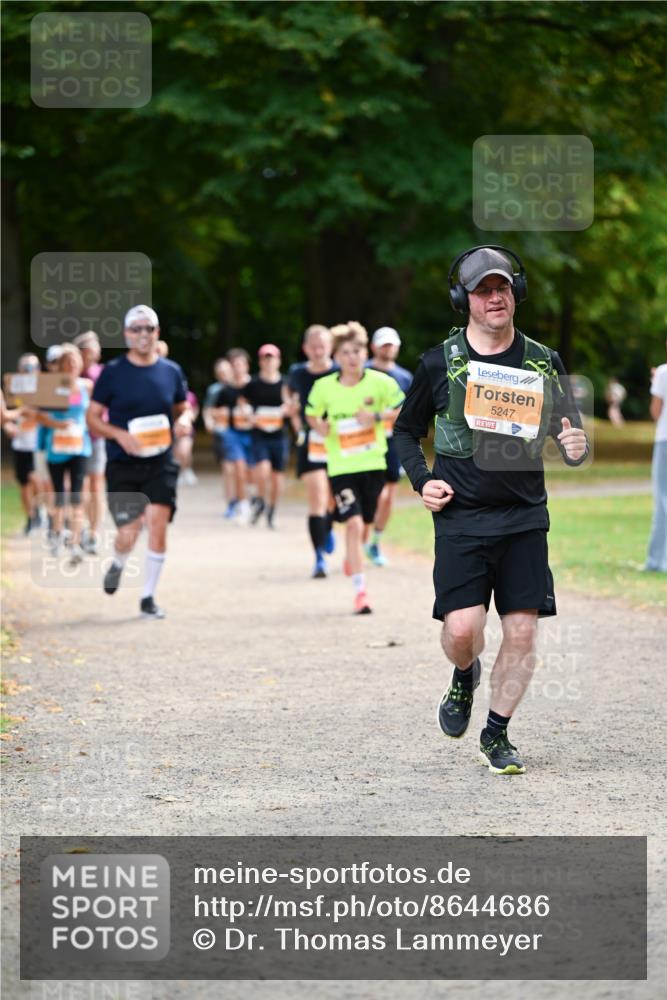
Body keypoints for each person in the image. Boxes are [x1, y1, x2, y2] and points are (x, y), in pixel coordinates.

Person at [394, 246, 588, 775]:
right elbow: (405, 432)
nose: (495, 297)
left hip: (524, 516)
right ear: (465, 300)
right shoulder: (440, 362)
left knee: (522, 630)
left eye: (502, 287)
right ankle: (464, 674)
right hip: (461, 517)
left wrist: (576, 446)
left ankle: (497, 733)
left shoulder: (543, 361)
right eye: (482, 290)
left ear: (516, 293)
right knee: (462, 632)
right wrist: (423, 480)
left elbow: (568, 430)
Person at [86, 305, 193, 619]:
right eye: (137, 329)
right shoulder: (113, 373)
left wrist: (185, 420)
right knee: (129, 532)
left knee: (158, 524)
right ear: (126, 334)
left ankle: (148, 597)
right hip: (123, 462)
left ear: (157, 333)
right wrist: (119, 435)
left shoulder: (171, 371)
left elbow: (182, 408)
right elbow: (92, 418)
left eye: (149, 328)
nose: (143, 334)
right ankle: (119, 562)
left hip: (161, 460)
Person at [306, 322, 405, 614]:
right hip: (341, 467)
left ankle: (354, 557)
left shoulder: (381, 383)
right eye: (346, 352)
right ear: (337, 356)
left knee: (364, 524)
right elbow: (311, 414)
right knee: (352, 523)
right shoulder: (323, 387)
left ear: (365, 352)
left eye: (357, 351)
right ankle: (360, 593)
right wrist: (320, 426)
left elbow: (403, 409)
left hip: (373, 463)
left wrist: (375, 417)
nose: (352, 357)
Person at [27, 344, 93, 563]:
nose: (72, 366)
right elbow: (37, 415)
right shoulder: (52, 387)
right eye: (68, 362)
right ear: (62, 365)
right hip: (56, 448)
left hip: (79, 447)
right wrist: (57, 424)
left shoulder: (87, 387)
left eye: (75, 362)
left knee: (76, 495)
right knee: (58, 495)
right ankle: (56, 534)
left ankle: (74, 543)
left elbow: (94, 413)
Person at [287, 325, 338, 577]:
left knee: (333, 500)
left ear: (330, 347)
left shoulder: (341, 372)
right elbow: (290, 401)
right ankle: (319, 557)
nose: (318, 351)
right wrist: (297, 424)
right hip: (311, 442)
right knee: (317, 498)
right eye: (314, 346)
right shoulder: (297, 373)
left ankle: (327, 529)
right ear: (306, 348)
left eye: (323, 346)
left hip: (341, 442)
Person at [365, 327, 413, 566]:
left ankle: (375, 541)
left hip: (393, 441)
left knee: (389, 493)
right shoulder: (361, 371)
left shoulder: (405, 377)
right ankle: (360, 537)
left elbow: (408, 412)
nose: (388, 348)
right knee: (371, 492)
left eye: (391, 344)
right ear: (373, 347)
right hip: (364, 441)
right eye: (383, 344)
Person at [244, 344, 294, 528]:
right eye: (265, 358)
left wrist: (286, 410)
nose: (268, 361)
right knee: (262, 470)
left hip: (279, 435)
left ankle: (271, 509)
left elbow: (292, 404)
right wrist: (250, 415)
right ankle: (260, 498)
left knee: (277, 476)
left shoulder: (285, 383)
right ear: (260, 361)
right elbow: (243, 402)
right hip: (260, 434)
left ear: (278, 361)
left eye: (271, 358)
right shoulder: (254, 383)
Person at [213, 348, 256, 525]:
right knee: (238, 467)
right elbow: (214, 410)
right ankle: (243, 505)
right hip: (233, 434)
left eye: (240, 364)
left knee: (251, 473)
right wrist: (221, 414)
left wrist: (251, 413)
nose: (237, 368)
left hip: (253, 433)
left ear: (246, 366)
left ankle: (252, 498)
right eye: (234, 365)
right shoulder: (226, 390)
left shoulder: (255, 386)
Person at [3, 353, 43, 534]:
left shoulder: (46, 389)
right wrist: (9, 427)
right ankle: (31, 518)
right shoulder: (13, 389)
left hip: (41, 443)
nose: (29, 371)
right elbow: (5, 415)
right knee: (24, 482)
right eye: (25, 367)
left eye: (32, 367)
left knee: (37, 479)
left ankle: (42, 511)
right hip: (21, 443)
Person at [73, 331, 105, 553]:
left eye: (95, 349)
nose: (93, 354)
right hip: (75, 436)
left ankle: (94, 533)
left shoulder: (102, 374)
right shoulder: (70, 374)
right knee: (80, 486)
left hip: (96, 436)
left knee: (96, 485)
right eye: (89, 349)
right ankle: (80, 528)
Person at [155, 339, 199, 484]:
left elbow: (189, 408)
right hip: (156, 425)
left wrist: (185, 418)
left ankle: (183, 471)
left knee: (182, 450)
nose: (158, 354)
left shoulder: (171, 372)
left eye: (161, 352)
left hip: (175, 424)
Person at [646, 342, 667, 573]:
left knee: (662, 500)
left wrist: (656, 382)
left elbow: (655, 412)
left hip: (665, 441)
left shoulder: (662, 372)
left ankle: (656, 561)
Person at [202, 358, 235, 510]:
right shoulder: (214, 390)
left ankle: (242, 499)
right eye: (220, 372)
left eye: (226, 371)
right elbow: (207, 410)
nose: (223, 374)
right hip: (222, 433)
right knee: (228, 469)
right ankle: (230, 502)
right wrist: (210, 422)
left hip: (240, 432)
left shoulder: (239, 387)